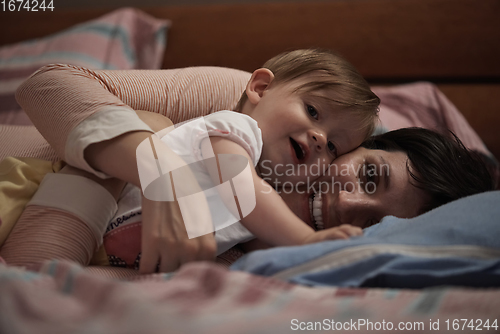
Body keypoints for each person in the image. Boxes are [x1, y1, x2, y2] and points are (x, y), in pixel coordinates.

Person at [3, 49, 380, 273]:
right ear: (260, 88)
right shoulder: (237, 130)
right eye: (313, 111)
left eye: (333, 147)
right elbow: (243, 190)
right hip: (29, 190)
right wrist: (306, 241)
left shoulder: (271, 198)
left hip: (96, 247)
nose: (319, 139)